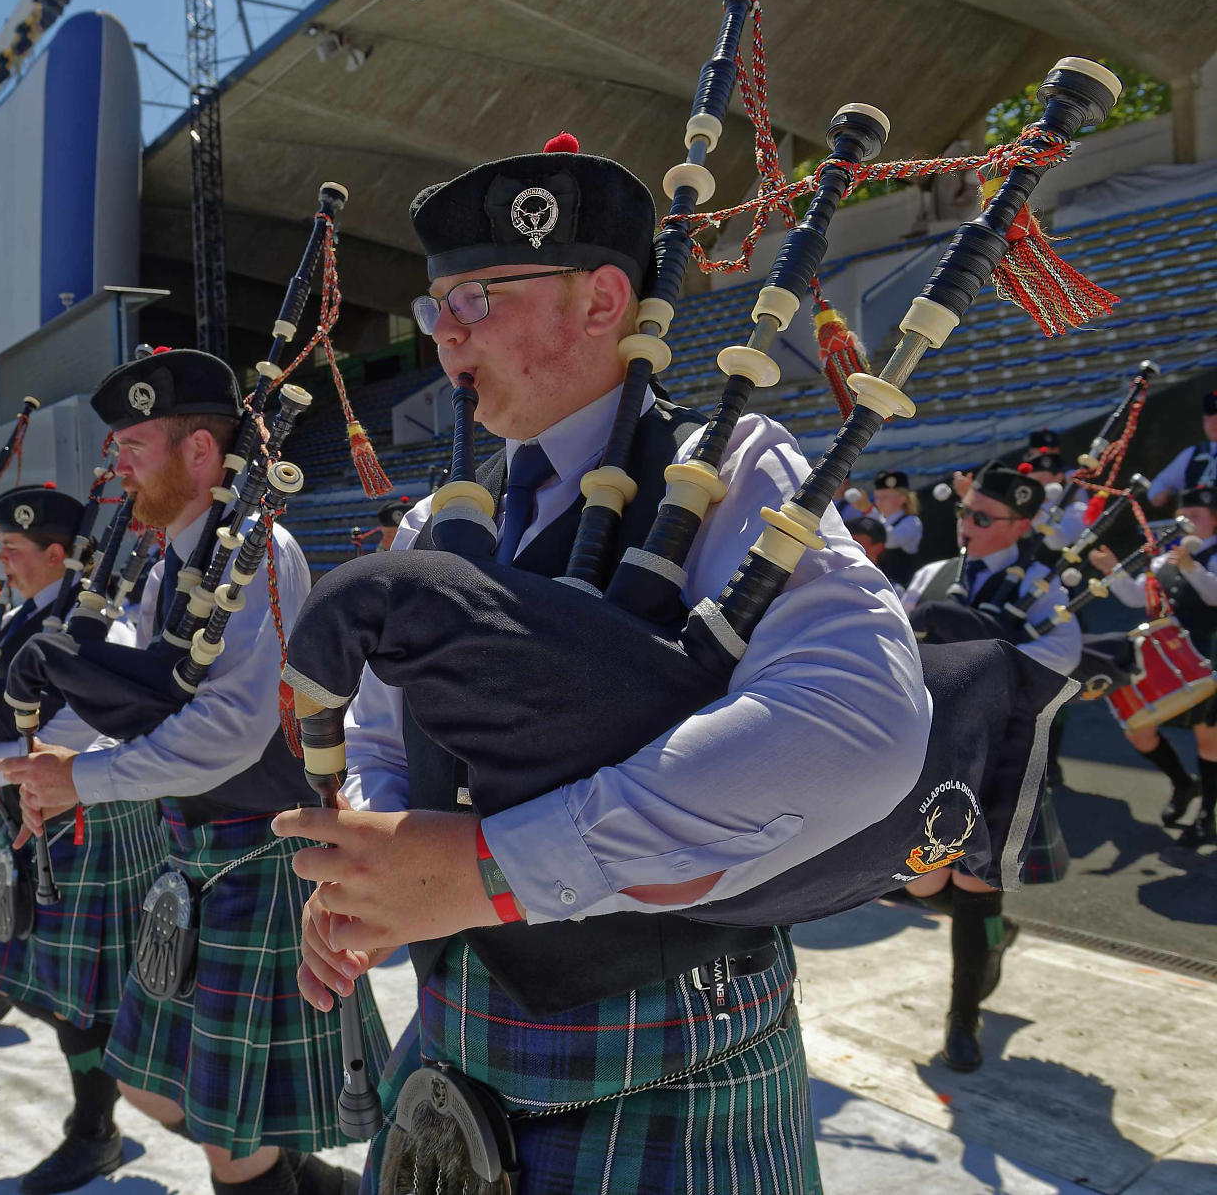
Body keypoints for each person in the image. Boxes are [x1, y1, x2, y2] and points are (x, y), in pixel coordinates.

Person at [278, 134, 928, 1194]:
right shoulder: (438, 520)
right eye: (436, 306)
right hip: (464, 1035)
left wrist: (493, 869)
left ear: (602, 301)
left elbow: (860, 723)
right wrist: (374, 860)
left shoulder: (723, 466)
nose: (444, 331)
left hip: (672, 1053)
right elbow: (387, 737)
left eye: (479, 296)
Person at [0, 348, 379, 1195]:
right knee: (149, 1082)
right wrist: (44, 753)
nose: (116, 465)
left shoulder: (256, 554)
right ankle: (313, 1183)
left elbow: (228, 735)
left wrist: (84, 782)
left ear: (200, 454)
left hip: (261, 846)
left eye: (134, 444)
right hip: (193, 847)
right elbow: (135, 698)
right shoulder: (164, 562)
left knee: (225, 1135)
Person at [0, 485, 167, 1194]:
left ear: (53, 553)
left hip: (86, 814)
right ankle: (99, 1121)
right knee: (54, 987)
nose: (3, 563)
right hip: (33, 808)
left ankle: (97, 1132)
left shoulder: (102, 623)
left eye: (13, 551)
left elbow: (84, 722)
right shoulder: (16, 615)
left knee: (85, 997)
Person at [904, 463, 1081, 1071]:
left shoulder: (1040, 586)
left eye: (982, 517)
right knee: (922, 881)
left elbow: (1063, 658)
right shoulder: (934, 574)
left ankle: (963, 1019)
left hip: (1004, 757)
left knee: (976, 884)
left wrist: (985, 650)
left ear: (1020, 525)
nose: (967, 525)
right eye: (964, 512)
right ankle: (993, 937)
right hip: (933, 752)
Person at [1089, 484, 1217, 846]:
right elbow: (1134, 596)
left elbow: (1213, 595)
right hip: (1166, 656)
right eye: (1184, 516)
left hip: (1206, 653)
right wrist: (1113, 569)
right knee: (1138, 730)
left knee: (1209, 738)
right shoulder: (1165, 558)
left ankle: (1209, 811)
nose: (1188, 522)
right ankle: (1182, 783)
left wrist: (1192, 567)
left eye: (1197, 517)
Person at [845, 469, 922, 584]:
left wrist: (869, 510)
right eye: (877, 497)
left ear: (902, 499)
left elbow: (890, 539)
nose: (879, 501)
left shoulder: (912, 522)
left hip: (901, 587)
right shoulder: (877, 517)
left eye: (885, 497)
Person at [1148, 389, 1217, 508]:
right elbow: (1160, 483)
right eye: (1207, 419)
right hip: (1197, 522)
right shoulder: (1193, 453)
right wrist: (1159, 494)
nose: (1212, 424)